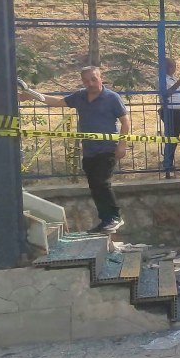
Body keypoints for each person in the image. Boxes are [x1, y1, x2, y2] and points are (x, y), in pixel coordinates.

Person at [19, 66, 129, 233]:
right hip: (89, 150)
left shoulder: (112, 97)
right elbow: (57, 102)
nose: (90, 83)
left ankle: (115, 217)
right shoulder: (80, 96)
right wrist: (32, 95)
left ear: (101, 78)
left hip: (107, 148)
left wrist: (122, 144)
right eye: (86, 81)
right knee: (94, 186)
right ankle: (106, 220)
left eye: (93, 79)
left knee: (101, 182)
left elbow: (125, 121)